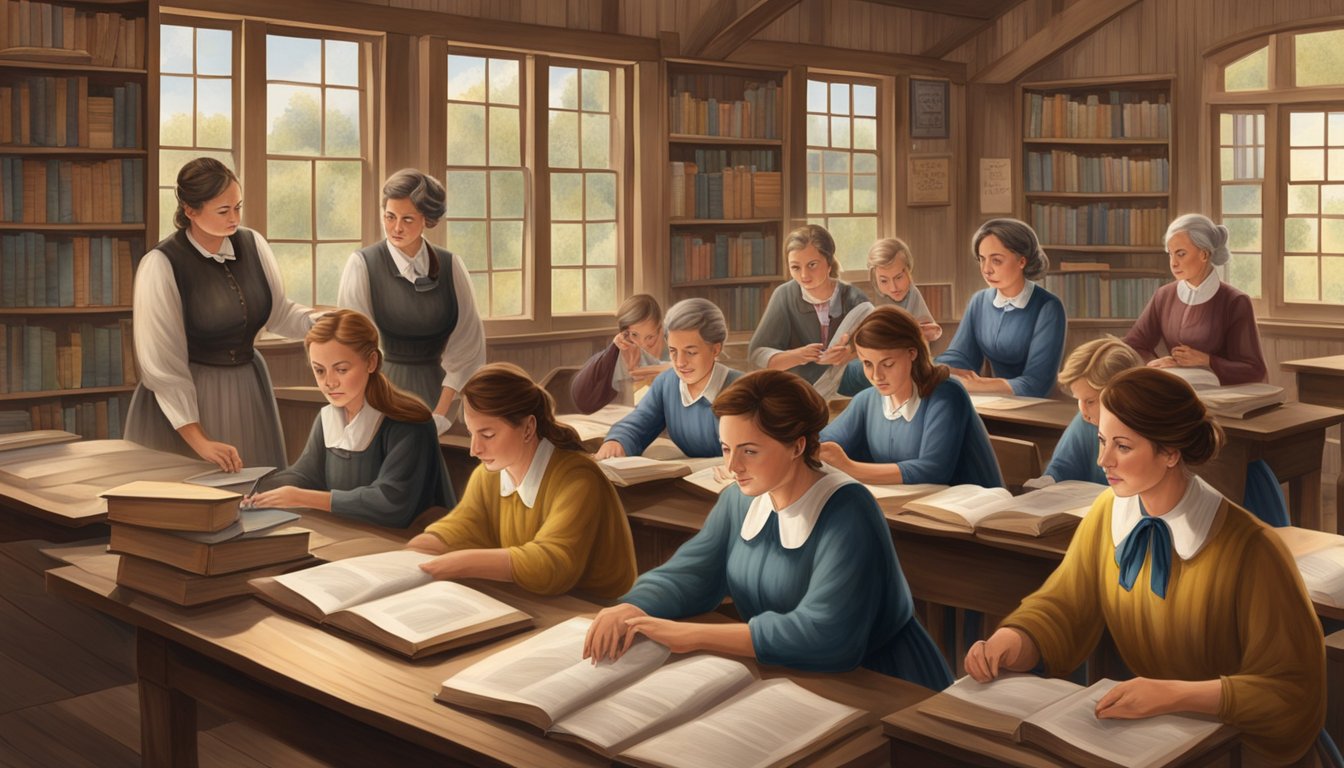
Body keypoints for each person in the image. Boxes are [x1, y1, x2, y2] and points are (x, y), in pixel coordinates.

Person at [965, 367, 1325, 765]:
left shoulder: (1251, 549)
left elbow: (1293, 692)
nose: (1103, 460)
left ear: (1171, 452)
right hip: (1150, 737)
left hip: (1239, 749)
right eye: (1102, 441)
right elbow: (1065, 605)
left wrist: (1175, 694)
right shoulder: (1108, 513)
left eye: (1123, 446)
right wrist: (1014, 640)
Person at [583, 369, 952, 690]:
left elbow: (828, 635)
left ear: (797, 446)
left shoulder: (848, 510)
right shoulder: (739, 500)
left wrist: (693, 635)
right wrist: (632, 606)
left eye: (749, 451)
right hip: (782, 673)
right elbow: (692, 574)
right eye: (725, 448)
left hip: (880, 682)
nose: (732, 466)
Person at [126, 157, 315, 471]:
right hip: (188, 405)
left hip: (249, 391)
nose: (235, 218)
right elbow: (163, 366)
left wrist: (323, 324)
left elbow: (279, 314)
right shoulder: (161, 265)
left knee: (256, 496)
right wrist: (200, 440)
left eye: (238, 207)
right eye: (224, 211)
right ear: (190, 210)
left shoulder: (253, 244)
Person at [405, 363, 637, 599]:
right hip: (532, 599)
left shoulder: (578, 479)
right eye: (471, 434)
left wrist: (461, 563)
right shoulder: (489, 475)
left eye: (487, 435)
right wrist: (416, 550)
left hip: (591, 610)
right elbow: (463, 527)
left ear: (528, 429)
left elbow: (552, 564)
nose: (474, 450)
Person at [245, 310, 453, 528]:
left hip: (404, 540)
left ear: (371, 362)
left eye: (341, 369)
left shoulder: (409, 423)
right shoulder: (329, 417)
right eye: (319, 371)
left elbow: (391, 503)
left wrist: (302, 497)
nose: (329, 382)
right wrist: (258, 490)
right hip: (348, 530)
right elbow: (306, 475)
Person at [338, 169, 486, 433]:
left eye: (407, 219)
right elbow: (352, 348)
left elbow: (467, 347)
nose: (396, 228)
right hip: (382, 397)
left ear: (427, 219)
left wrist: (440, 414)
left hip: (441, 397)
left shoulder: (451, 266)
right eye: (390, 217)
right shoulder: (362, 265)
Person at [819, 306, 1000, 487]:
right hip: (907, 507)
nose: (876, 376)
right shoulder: (866, 401)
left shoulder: (947, 395)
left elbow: (933, 470)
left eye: (887, 364)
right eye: (867, 364)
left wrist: (851, 468)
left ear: (912, 353)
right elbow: (825, 441)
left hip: (973, 507)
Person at [1124, 213, 1267, 385]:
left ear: (1204, 254)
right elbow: (1133, 345)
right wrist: (1158, 365)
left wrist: (1207, 361)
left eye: (1181, 254)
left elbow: (1254, 370)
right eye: (1170, 254)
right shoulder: (1164, 295)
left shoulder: (1235, 301)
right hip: (1174, 387)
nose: (1173, 263)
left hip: (1222, 393)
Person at [595, 298, 743, 460]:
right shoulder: (667, 383)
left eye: (691, 352)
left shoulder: (742, 389)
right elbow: (639, 422)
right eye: (673, 351)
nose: (680, 363)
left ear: (715, 349)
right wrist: (617, 442)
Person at [936, 218, 1066, 397]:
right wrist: (936, 369)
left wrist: (977, 384)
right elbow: (960, 356)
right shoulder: (979, 302)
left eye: (996, 261)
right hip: (995, 402)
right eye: (982, 260)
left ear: (1022, 261)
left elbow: (1037, 383)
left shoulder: (1048, 307)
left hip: (1038, 406)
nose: (986, 269)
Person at [748, 224, 870, 385]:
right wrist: (798, 356)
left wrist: (850, 352)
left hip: (847, 382)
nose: (804, 275)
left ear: (828, 262)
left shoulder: (854, 298)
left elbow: (878, 343)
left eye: (812, 265)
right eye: (796, 267)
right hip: (798, 385)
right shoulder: (785, 295)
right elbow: (757, 354)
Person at [1029, 336, 1143, 488]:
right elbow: (1063, 467)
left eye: (1090, 401)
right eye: (1078, 400)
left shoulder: (1144, 428)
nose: (1083, 410)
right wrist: (1047, 481)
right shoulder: (1086, 422)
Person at [570, 293, 668, 414]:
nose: (642, 345)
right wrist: (613, 350)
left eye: (650, 337)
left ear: (660, 330)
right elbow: (583, 400)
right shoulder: (615, 357)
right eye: (635, 335)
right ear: (623, 334)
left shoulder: (671, 355)